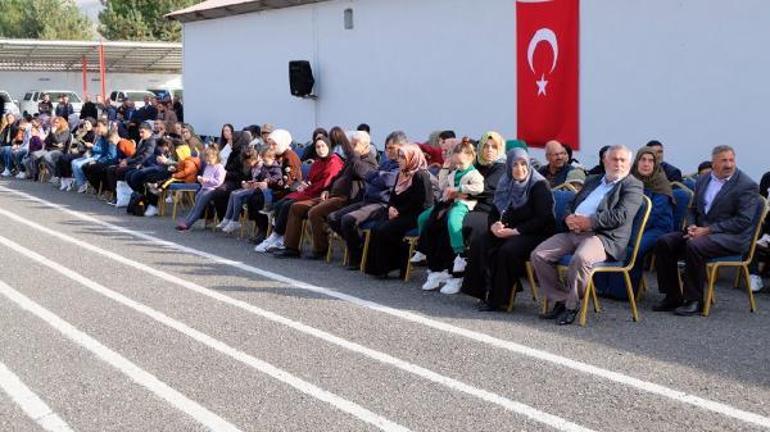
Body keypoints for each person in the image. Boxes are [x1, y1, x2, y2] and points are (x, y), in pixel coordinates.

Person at [531, 145, 644, 325]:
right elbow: (572, 203)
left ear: (629, 164)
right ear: (605, 161)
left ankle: (571, 306)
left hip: (604, 237)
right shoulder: (593, 180)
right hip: (575, 231)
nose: (618, 164)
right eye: (614, 159)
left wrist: (589, 222)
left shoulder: (633, 185)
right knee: (539, 255)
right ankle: (562, 299)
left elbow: (622, 215)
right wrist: (568, 217)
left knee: (582, 258)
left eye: (623, 160)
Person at [653, 145, 759, 315]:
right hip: (701, 231)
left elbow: (743, 221)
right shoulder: (703, 179)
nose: (729, 165)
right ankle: (672, 296)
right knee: (664, 242)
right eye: (724, 161)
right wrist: (691, 226)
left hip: (732, 237)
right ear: (713, 163)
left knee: (694, 246)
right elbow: (692, 209)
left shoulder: (746, 185)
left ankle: (694, 300)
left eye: (731, 160)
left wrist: (707, 230)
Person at [462, 148, 555, 311]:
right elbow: (494, 211)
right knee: (480, 242)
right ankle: (481, 292)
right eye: (515, 165)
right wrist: (494, 225)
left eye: (523, 164)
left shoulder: (539, 185)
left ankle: (500, 300)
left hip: (536, 233)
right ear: (509, 167)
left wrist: (515, 231)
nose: (520, 169)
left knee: (507, 250)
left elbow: (543, 219)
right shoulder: (505, 182)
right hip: (509, 229)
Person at [593, 146, 675, 299]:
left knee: (634, 246)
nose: (646, 164)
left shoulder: (661, 185)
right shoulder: (629, 181)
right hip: (630, 224)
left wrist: (627, 230)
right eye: (643, 160)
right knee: (607, 239)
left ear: (655, 164)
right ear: (637, 162)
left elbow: (652, 215)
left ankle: (624, 292)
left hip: (656, 228)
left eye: (650, 161)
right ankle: (602, 287)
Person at [328, 130, 405, 269]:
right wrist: (377, 176)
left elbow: (386, 180)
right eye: (386, 148)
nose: (388, 151)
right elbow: (373, 176)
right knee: (333, 218)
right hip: (369, 200)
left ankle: (357, 258)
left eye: (392, 148)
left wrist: (376, 176)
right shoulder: (386, 164)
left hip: (383, 204)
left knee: (348, 220)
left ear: (402, 147)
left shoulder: (402, 164)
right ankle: (361, 247)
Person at [418, 139, 485, 294]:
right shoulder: (454, 172)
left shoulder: (474, 173)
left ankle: (460, 253)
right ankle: (423, 249)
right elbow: (442, 186)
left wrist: (459, 188)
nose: (458, 166)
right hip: (449, 202)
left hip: (463, 203)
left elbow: (479, 187)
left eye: (461, 163)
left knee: (453, 221)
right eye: (456, 163)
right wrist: (445, 168)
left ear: (471, 158)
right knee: (424, 218)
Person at [261, 135, 344, 256]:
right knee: (282, 204)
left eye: (323, 146)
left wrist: (308, 186)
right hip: (312, 192)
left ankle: (280, 237)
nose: (320, 149)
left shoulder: (334, 161)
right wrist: (305, 184)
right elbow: (310, 178)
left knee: (291, 206)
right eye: (317, 147)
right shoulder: (318, 161)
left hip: (324, 195)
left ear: (328, 146)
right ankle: (287, 244)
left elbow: (326, 183)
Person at [365, 143, 434, 278]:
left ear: (412, 158)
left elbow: (425, 204)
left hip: (414, 215)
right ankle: (378, 268)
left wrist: (399, 211)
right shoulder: (401, 174)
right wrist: (391, 208)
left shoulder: (420, 176)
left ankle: (392, 265)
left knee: (385, 230)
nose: (399, 160)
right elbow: (393, 197)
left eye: (403, 157)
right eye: (399, 156)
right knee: (376, 228)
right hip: (397, 212)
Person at [218, 146, 282, 233]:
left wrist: (267, 181)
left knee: (237, 195)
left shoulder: (273, 167)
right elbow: (257, 177)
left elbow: (276, 178)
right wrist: (250, 181)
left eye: (265, 160)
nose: (264, 162)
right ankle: (227, 218)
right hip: (255, 186)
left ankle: (234, 220)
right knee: (233, 193)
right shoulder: (264, 166)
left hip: (261, 190)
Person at [176, 147, 226, 231]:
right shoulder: (208, 166)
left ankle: (188, 224)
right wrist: (201, 179)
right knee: (195, 206)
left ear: (215, 157)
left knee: (199, 207)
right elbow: (205, 177)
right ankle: (186, 221)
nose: (208, 162)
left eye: (209, 160)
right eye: (207, 160)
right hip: (204, 188)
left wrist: (206, 180)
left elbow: (219, 182)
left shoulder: (219, 167)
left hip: (212, 190)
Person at [27, 116, 71, 183]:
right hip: (49, 149)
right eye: (54, 122)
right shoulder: (52, 130)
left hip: (59, 150)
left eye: (57, 122)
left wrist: (53, 135)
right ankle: (36, 173)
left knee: (47, 157)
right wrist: (53, 142)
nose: (55, 124)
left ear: (61, 123)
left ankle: (55, 174)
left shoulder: (65, 131)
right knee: (34, 155)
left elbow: (58, 141)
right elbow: (46, 141)